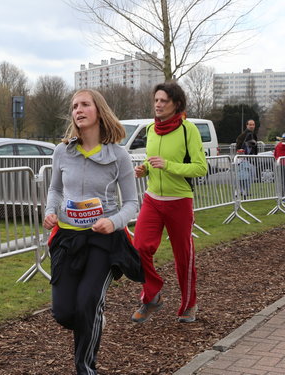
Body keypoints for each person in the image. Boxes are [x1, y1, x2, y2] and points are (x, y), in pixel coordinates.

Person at [43, 89, 144, 375]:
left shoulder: (119, 155)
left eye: (85, 104)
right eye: (74, 106)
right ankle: (93, 320)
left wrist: (113, 222)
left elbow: (132, 203)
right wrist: (50, 211)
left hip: (103, 241)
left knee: (87, 301)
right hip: (68, 238)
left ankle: (85, 368)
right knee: (64, 313)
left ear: (98, 110)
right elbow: (55, 189)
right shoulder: (62, 151)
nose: (78, 110)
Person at [131, 81, 207, 324]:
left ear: (177, 104)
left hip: (179, 201)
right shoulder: (151, 130)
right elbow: (153, 163)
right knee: (139, 247)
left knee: (183, 256)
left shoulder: (189, 130)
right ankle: (152, 296)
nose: (158, 104)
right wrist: (144, 170)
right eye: (156, 100)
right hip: (152, 199)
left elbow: (200, 168)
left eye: (164, 101)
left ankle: (189, 304)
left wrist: (168, 166)